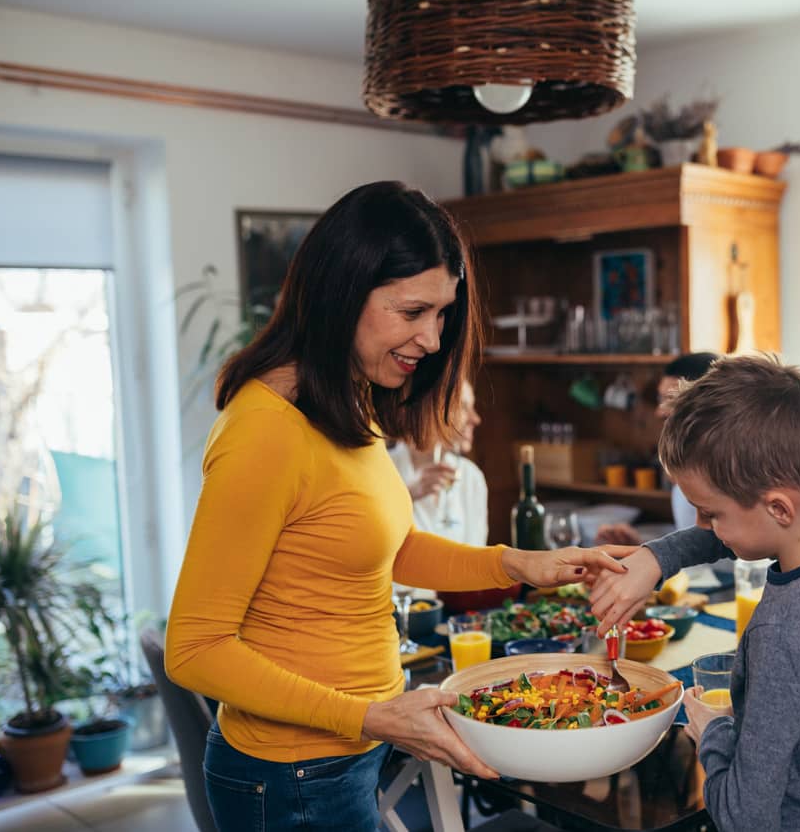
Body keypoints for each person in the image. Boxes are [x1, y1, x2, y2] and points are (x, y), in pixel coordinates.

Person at [165, 181, 624, 832]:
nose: (433, 339)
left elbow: (392, 544)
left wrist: (522, 563)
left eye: (442, 314)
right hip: (292, 776)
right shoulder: (265, 432)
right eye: (412, 312)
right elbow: (195, 647)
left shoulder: (343, 400)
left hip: (340, 756)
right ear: (343, 294)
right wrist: (372, 715)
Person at [588, 355, 800, 832]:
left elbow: (744, 818)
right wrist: (657, 559)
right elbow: (743, 531)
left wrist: (711, 730)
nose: (702, 526)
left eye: (710, 512)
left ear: (777, 507)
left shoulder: (788, 630)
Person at [594, 351, 719, 545]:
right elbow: (696, 542)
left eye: (672, 399)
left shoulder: (732, 471)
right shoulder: (683, 463)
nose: (659, 412)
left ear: (708, 404)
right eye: (661, 399)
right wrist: (643, 547)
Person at [387, 378, 486, 545]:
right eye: (463, 407)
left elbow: (477, 556)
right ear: (428, 410)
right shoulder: (384, 469)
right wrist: (407, 495)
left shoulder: (471, 477)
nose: (475, 419)